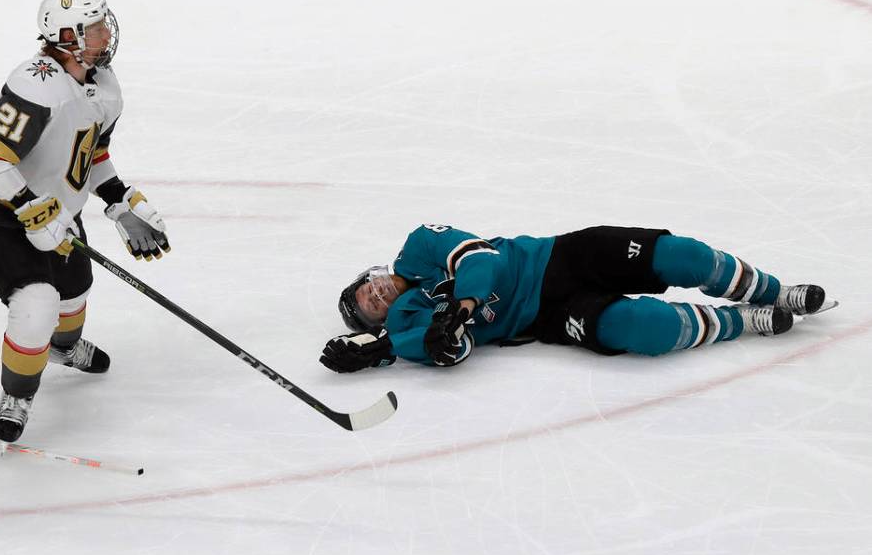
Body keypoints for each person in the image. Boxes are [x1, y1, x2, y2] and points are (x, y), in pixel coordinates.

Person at [0, 0, 170, 442]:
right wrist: (28, 207)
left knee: (74, 293)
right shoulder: (37, 83)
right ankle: (17, 393)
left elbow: (90, 154)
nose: (105, 34)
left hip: (56, 216)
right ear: (65, 36)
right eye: (94, 27)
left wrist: (119, 202)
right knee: (36, 307)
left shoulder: (104, 85)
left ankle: (64, 348)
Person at [320, 224, 830, 372]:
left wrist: (463, 308)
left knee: (681, 256)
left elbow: (482, 261)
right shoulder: (408, 320)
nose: (376, 294)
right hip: (550, 315)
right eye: (370, 306)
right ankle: (747, 319)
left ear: (374, 272)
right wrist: (385, 351)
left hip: (560, 257)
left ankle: (777, 291)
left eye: (367, 286)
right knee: (647, 330)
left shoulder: (419, 246)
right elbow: (444, 349)